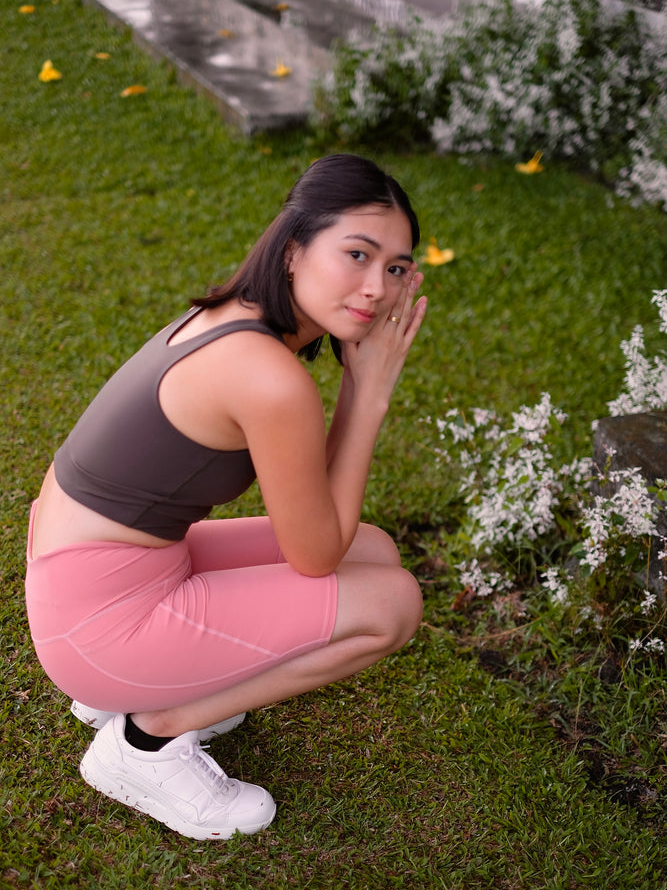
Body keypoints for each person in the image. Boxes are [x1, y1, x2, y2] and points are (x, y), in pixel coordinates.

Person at [24, 154, 427, 841]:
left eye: (395, 268)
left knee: (375, 550)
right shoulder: (267, 376)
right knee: (390, 605)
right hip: (95, 626)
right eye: (356, 254)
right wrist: (367, 392)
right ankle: (147, 738)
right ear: (294, 247)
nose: (376, 289)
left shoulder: (237, 319)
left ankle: (149, 687)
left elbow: (327, 529)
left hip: (93, 575)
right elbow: (314, 554)